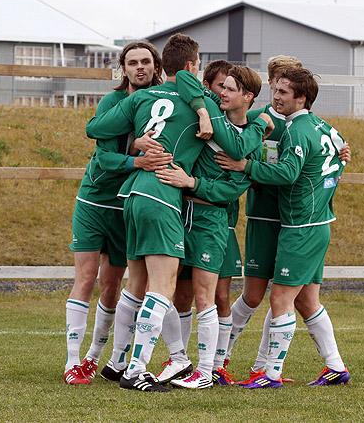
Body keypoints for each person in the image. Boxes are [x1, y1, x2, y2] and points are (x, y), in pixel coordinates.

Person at [85, 33, 273, 392]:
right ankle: (137, 370)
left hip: (132, 194)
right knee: (163, 288)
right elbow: (236, 145)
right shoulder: (200, 104)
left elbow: (95, 128)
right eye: (198, 65)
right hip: (162, 197)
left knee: (136, 284)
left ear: (162, 66)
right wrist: (259, 124)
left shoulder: (140, 96)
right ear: (191, 67)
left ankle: (117, 362)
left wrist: (136, 140)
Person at [217, 56, 350, 384]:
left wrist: (339, 161)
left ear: (299, 93)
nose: (276, 93)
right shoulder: (257, 120)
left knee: (291, 298)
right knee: (258, 295)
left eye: (283, 87)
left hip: (298, 222)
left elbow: (314, 166)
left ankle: (266, 369)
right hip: (267, 217)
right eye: (274, 84)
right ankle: (222, 360)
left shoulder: (304, 127)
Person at [63, 41, 171, 385]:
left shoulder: (166, 103)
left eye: (146, 61)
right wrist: (135, 155)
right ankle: (72, 362)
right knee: (86, 278)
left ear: (156, 66)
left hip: (130, 203)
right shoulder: (112, 103)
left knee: (112, 287)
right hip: (95, 201)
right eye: (132, 62)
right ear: (122, 69)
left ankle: (96, 357)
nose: (140, 67)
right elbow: (105, 158)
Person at [154, 65, 264, 389]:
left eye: (231, 89)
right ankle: (179, 361)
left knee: (207, 296)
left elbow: (231, 190)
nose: (223, 93)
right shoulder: (213, 111)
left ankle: (207, 371)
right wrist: (203, 110)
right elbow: (184, 76)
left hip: (211, 221)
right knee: (174, 293)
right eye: (223, 87)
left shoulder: (249, 144)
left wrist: (193, 181)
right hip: (180, 214)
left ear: (248, 97)